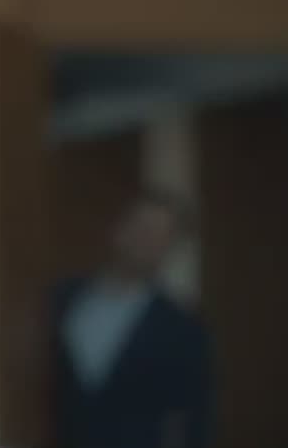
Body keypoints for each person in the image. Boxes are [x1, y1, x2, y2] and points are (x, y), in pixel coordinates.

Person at [52, 191, 212, 448]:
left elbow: (192, 421)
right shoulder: (62, 300)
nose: (146, 241)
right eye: (142, 227)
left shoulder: (181, 329)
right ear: (119, 228)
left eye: (160, 236)